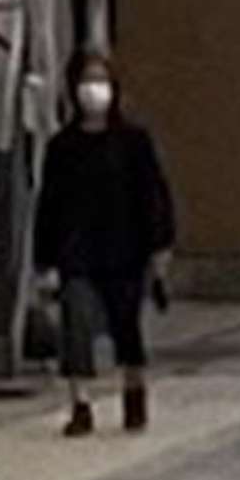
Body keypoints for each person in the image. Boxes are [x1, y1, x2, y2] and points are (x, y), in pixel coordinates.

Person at [32, 50, 176, 438]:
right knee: (75, 324)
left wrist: (160, 247)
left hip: (125, 249)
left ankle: (134, 390)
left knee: (126, 324)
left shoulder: (133, 141)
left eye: (100, 81)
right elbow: (49, 204)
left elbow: (154, 196)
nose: (92, 90)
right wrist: (44, 261)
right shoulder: (63, 147)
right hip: (77, 252)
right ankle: (80, 404)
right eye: (85, 81)